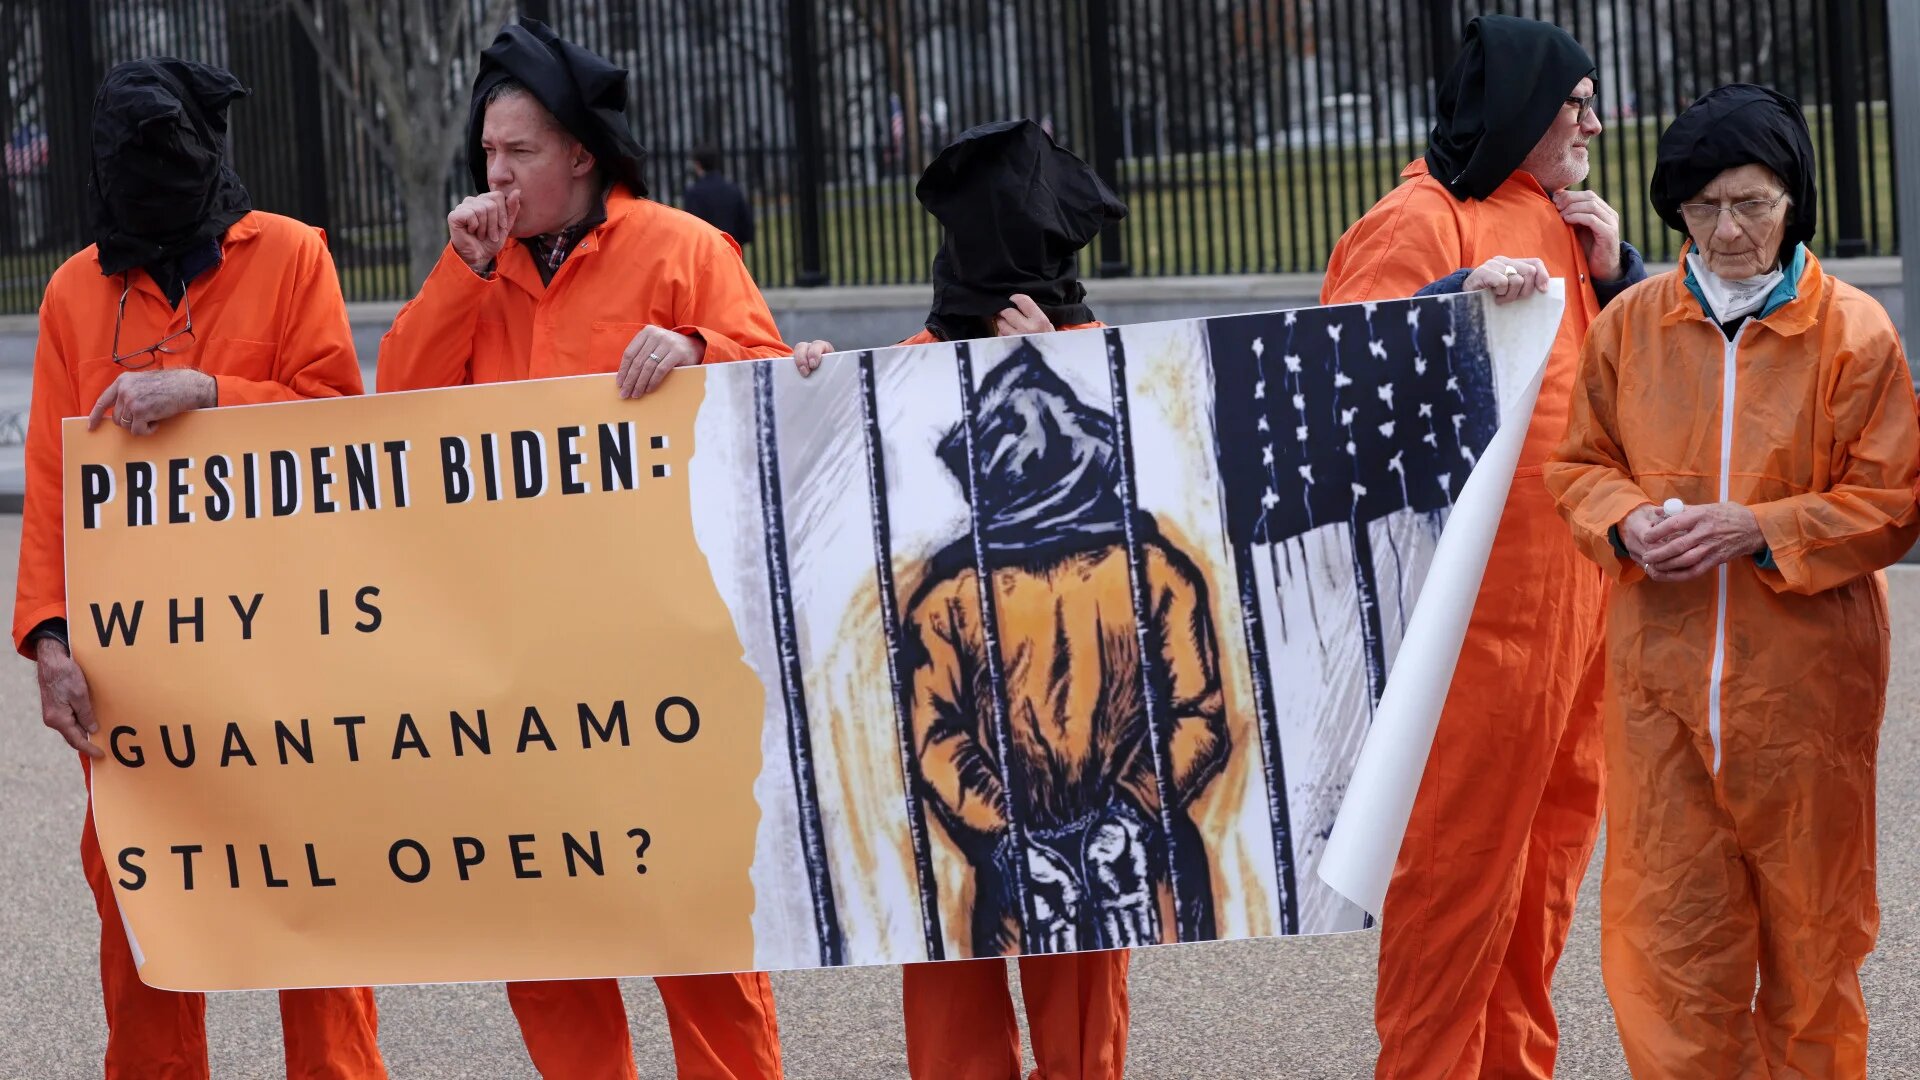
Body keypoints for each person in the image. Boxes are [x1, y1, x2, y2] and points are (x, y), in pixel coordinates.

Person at [377, 19, 789, 1080]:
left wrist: (701, 345)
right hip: (523, 652)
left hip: (662, 641)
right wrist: (462, 276)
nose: (496, 175)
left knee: (692, 917)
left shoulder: (683, 247)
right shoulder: (478, 264)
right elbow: (399, 406)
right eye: (487, 155)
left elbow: (776, 380)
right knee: (548, 926)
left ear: (581, 154)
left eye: (518, 152)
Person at [14, 59, 387, 1079]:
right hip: (142, 670)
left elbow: (337, 427)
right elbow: (50, 485)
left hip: (290, 649)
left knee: (313, 901)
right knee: (140, 913)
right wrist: (47, 638)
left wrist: (211, 389)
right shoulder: (70, 294)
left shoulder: (294, 257)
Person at [1546, 84, 1920, 1080]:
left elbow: (1891, 502)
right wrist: (1625, 519)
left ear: (1792, 199)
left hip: (1805, 694)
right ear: (1676, 212)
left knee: (1815, 945)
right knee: (1671, 951)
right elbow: (1577, 466)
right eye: (1706, 207)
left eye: (1753, 202)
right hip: (1660, 690)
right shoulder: (1629, 328)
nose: (1731, 228)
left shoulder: (1853, 334)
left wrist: (1759, 528)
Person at [1317, 15, 1648, 1079]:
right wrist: (1440, 309)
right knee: (1460, 874)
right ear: (1520, 110)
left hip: (1580, 605)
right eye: (1577, 105)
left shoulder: (1563, 217)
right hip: (1476, 628)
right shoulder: (1423, 215)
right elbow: (1339, 382)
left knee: (1544, 874)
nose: (1596, 122)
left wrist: (1623, 268)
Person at [790, 118, 1141, 1080]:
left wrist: (1068, 370)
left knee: (1079, 1028)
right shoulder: (901, 373)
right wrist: (806, 392)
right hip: (945, 774)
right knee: (952, 1009)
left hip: (1082, 784)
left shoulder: (1104, 365)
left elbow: (1160, 521)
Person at [683, 144, 754, 248]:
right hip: (732, 250)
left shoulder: (694, 193)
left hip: (707, 251)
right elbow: (746, 227)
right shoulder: (733, 189)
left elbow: (692, 228)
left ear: (698, 164)